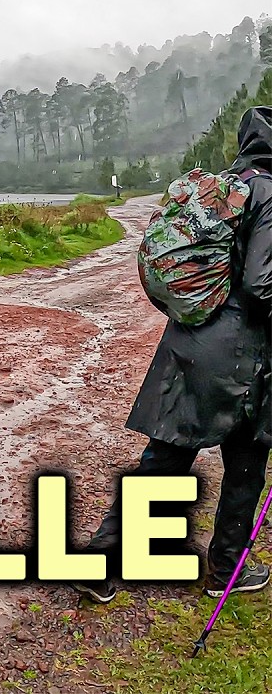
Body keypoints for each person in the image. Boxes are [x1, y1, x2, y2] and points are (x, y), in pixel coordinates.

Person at [75, 106, 272, 604]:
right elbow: (260, 284)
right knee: (246, 462)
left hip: (190, 342)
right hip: (245, 358)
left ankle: (100, 562)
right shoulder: (271, 193)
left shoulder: (224, 189)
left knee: (165, 458)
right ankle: (227, 569)